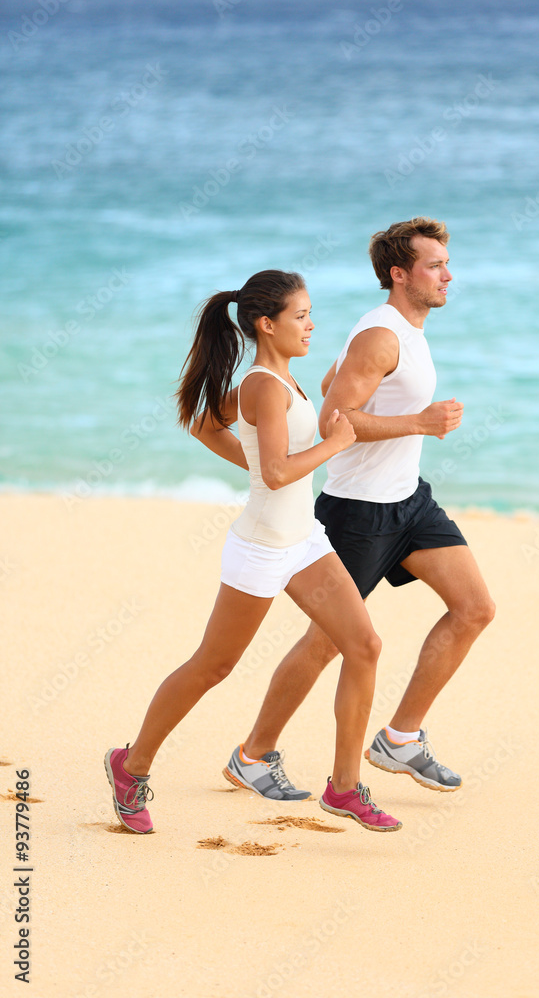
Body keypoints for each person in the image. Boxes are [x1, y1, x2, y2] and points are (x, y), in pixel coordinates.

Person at [104, 270, 402, 834]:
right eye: (300, 316)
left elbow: (206, 424)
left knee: (363, 645)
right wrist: (332, 446)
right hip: (263, 546)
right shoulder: (263, 384)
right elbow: (275, 468)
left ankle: (343, 789)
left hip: (304, 540)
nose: (312, 324)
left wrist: (274, 472)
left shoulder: (277, 382)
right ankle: (131, 763)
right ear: (267, 324)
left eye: (311, 313)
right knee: (212, 665)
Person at [223, 218, 496, 799]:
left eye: (447, 263)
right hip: (357, 511)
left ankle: (399, 739)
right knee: (328, 643)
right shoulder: (381, 335)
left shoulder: (402, 330)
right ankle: (252, 754)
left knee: (474, 608)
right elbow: (333, 421)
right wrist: (419, 422)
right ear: (399, 275)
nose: (448, 274)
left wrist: (358, 386)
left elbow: (332, 385)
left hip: (409, 502)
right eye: (434, 265)